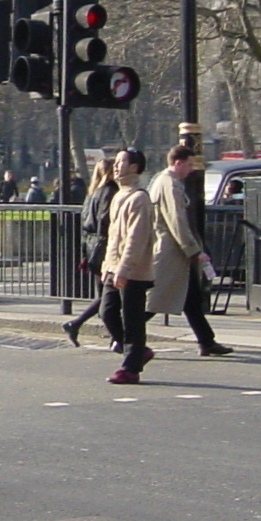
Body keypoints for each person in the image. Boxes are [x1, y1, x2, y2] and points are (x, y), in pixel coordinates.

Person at [149, 144, 234, 358]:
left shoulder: (161, 180)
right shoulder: (170, 185)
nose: (190, 170)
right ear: (177, 163)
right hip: (172, 251)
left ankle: (206, 341)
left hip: (173, 249)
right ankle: (124, 334)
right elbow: (177, 220)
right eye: (188, 165)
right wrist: (194, 250)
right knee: (157, 298)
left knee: (191, 298)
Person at [100, 149, 155, 384]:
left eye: (121, 162)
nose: (116, 166)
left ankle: (131, 368)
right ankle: (138, 351)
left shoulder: (139, 198)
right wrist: (107, 265)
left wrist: (124, 268)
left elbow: (136, 237)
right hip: (113, 265)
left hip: (132, 269)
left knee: (132, 318)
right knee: (107, 312)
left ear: (134, 167)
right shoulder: (119, 195)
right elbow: (114, 236)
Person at [62, 155, 122, 348]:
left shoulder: (92, 193)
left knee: (105, 295)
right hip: (104, 247)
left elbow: (86, 223)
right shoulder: (111, 192)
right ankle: (114, 336)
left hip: (91, 246)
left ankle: (114, 336)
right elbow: (107, 221)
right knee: (110, 296)